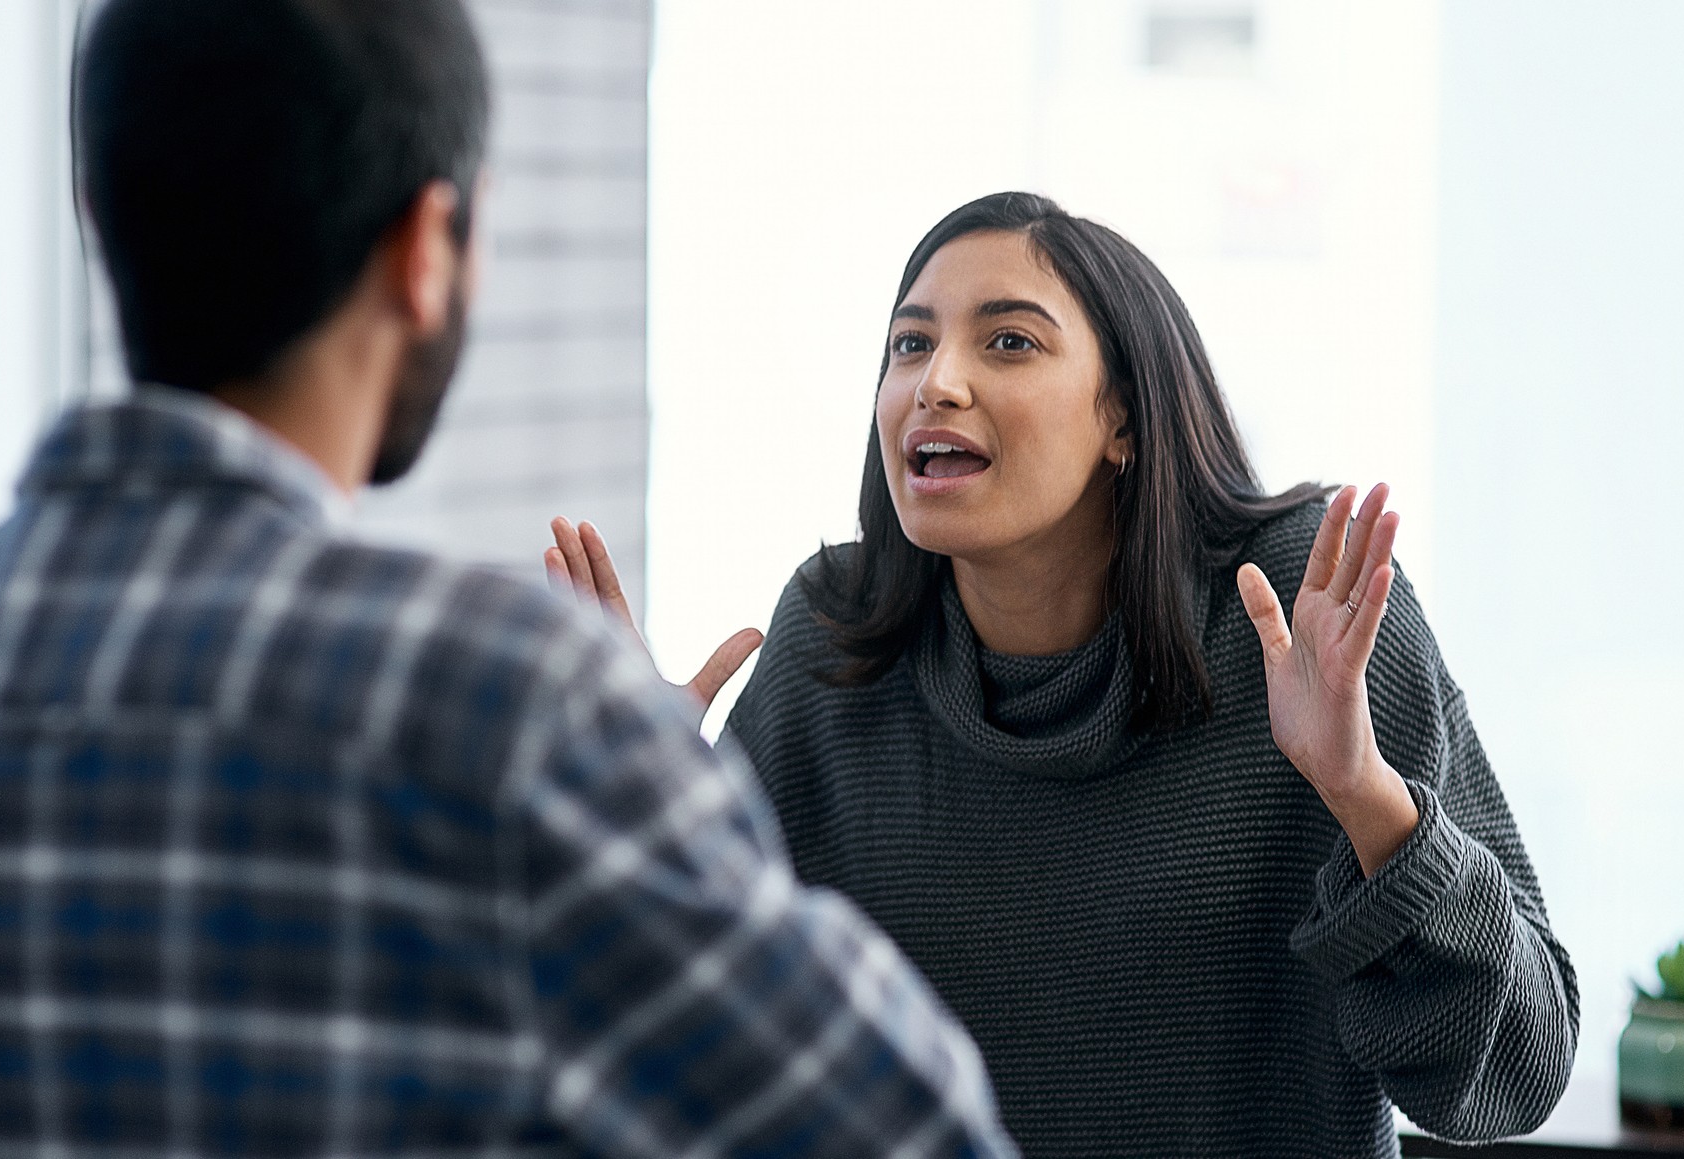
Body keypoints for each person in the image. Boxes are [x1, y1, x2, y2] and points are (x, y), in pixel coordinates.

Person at [0, 4, 1021, 1156]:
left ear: (100, 209)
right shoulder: (506, 707)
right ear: (425, 246)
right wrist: (655, 778)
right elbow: (914, 1132)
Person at [546, 192, 1579, 1158]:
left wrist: (1363, 797)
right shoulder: (834, 644)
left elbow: (1513, 1076)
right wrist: (646, 823)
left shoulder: (1303, 620)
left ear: (1122, 417)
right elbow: (696, 1060)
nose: (935, 382)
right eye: (910, 343)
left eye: (1008, 341)